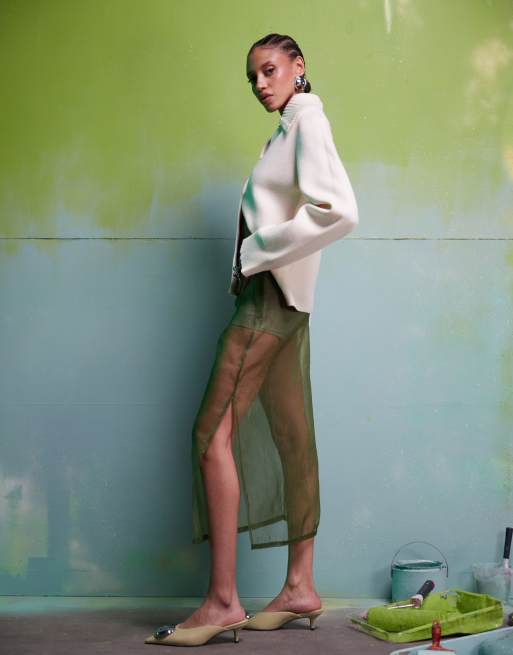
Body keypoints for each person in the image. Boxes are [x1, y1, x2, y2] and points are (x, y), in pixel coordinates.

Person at [145, 32, 359, 648]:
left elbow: (339, 210)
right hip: (286, 303)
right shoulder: (287, 130)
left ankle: (221, 602)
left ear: (298, 67)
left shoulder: (306, 123)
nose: (261, 84)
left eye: (269, 70)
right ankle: (299, 587)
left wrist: (256, 252)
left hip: (270, 301)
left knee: (212, 433)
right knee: (293, 436)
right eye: (253, 77)